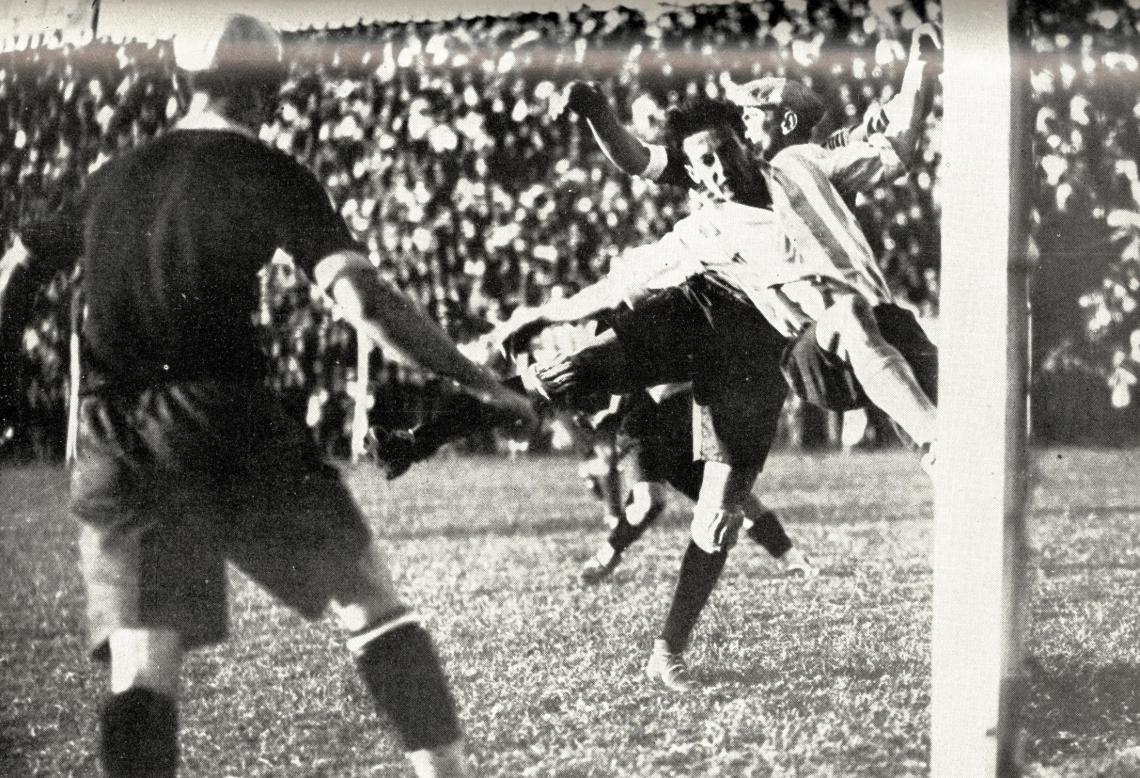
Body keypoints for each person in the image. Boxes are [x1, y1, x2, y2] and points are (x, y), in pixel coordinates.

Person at [7, 15, 535, 778]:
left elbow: (16, 269)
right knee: (370, 602)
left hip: (111, 435)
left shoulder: (114, 174)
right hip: (220, 416)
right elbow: (366, 305)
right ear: (270, 89)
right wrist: (476, 379)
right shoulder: (265, 168)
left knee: (143, 666)